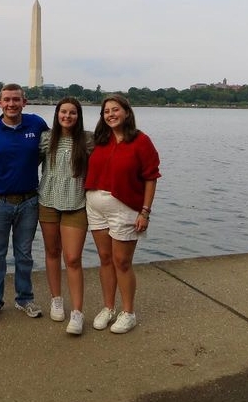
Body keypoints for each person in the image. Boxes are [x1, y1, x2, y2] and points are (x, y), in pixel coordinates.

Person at [84, 94, 161, 334]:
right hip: (95, 205)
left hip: (125, 207)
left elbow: (151, 177)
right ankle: (109, 308)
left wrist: (145, 212)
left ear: (126, 112)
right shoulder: (100, 140)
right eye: (106, 111)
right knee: (105, 259)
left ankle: (128, 312)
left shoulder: (141, 141)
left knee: (122, 262)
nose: (110, 115)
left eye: (115, 110)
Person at [0, 83, 49, 322]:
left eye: (16, 99)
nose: (11, 104)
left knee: (24, 254)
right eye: (6, 100)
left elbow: (53, 147)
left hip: (29, 201)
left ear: (24, 102)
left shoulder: (36, 124)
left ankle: (24, 298)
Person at [38, 97, 94, 335]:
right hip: (48, 201)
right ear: (57, 114)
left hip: (76, 203)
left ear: (78, 116)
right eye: (63, 112)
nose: (67, 116)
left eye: (72, 113)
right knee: (52, 252)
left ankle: (78, 312)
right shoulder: (46, 138)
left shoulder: (88, 140)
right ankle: (56, 299)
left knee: (72, 258)